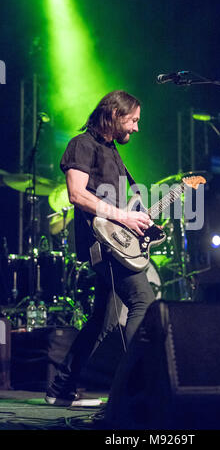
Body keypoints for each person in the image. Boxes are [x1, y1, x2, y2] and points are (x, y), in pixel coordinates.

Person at [45, 90, 155, 406]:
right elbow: (77, 195)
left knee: (102, 321)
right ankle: (130, 391)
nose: (135, 127)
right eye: (133, 120)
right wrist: (124, 216)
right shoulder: (82, 145)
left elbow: (121, 201)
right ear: (113, 114)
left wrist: (141, 217)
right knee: (142, 301)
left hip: (118, 244)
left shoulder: (111, 151)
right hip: (104, 245)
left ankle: (60, 388)